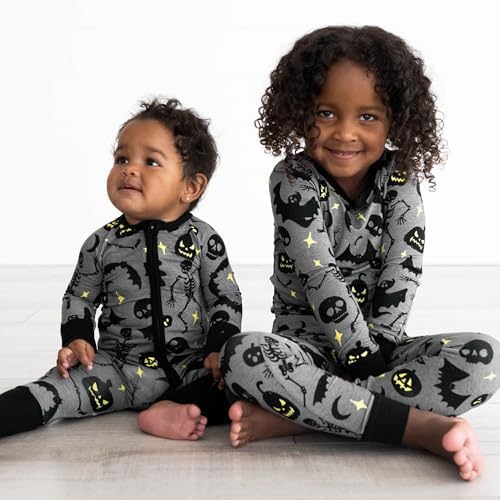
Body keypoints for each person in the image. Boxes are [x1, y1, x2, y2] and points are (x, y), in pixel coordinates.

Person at [221, 26, 500, 480]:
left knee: (484, 359)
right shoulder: (292, 178)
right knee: (242, 355)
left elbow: (403, 267)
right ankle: (416, 429)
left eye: (368, 116)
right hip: (305, 350)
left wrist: (380, 346)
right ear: (299, 111)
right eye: (326, 113)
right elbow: (318, 274)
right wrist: (357, 357)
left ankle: (300, 417)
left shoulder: (401, 177)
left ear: (396, 120)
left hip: (382, 348)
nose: (345, 133)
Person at [0, 98, 241, 441]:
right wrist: (78, 339)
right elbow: (79, 298)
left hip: (191, 366)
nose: (129, 169)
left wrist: (217, 348)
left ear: (190, 187)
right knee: (55, 387)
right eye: (122, 159)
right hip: (116, 370)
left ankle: (167, 410)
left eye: (151, 161)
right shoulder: (101, 242)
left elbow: (225, 297)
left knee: (242, 377)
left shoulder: (203, 239)